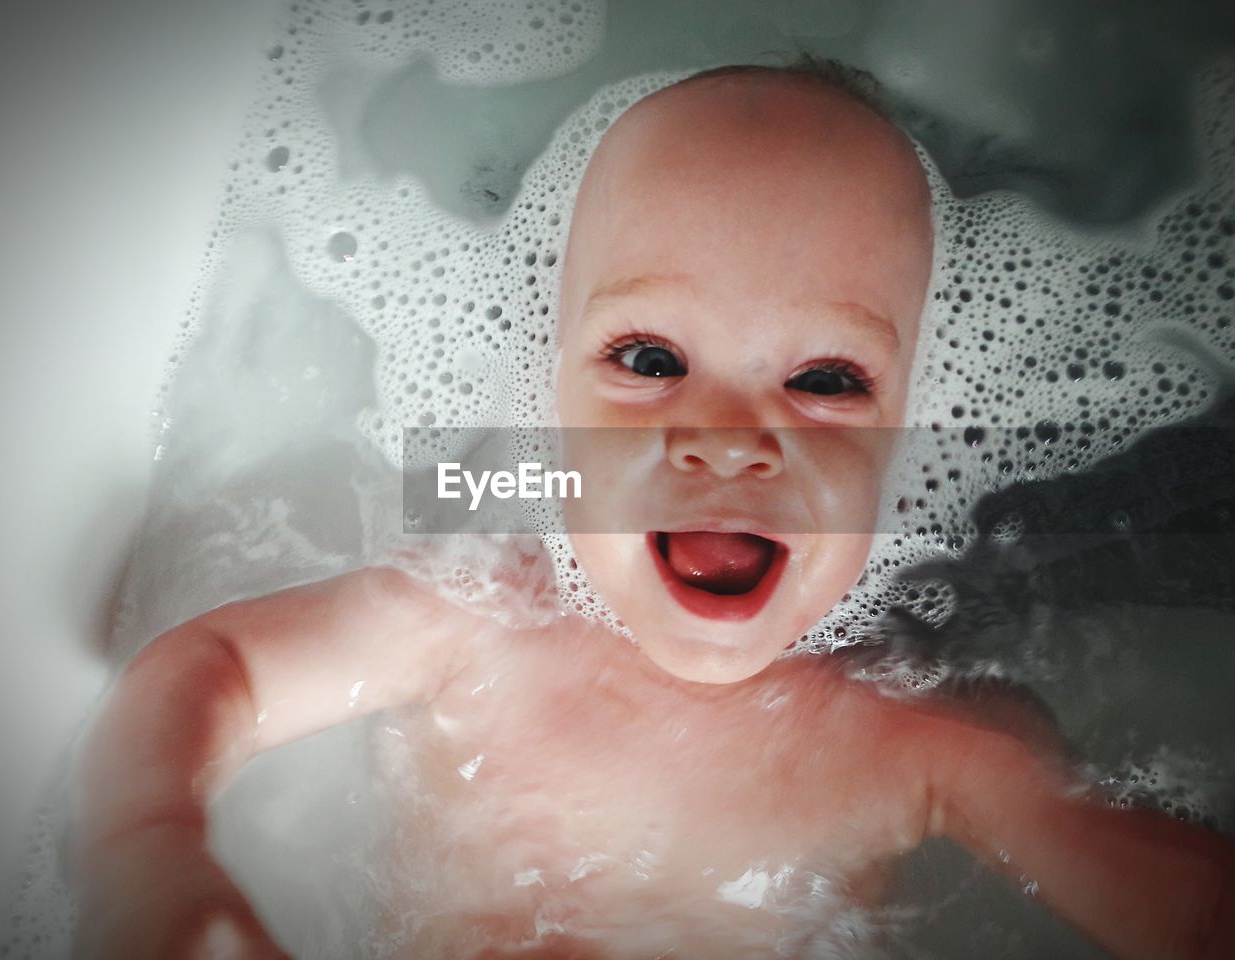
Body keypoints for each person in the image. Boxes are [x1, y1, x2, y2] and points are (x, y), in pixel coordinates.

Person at [70, 60, 1235, 960]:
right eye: (647, 356)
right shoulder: (479, 612)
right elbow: (215, 665)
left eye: (824, 382)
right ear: (546, 390)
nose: (727, 438)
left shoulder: (916, 747)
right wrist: (151, 854)